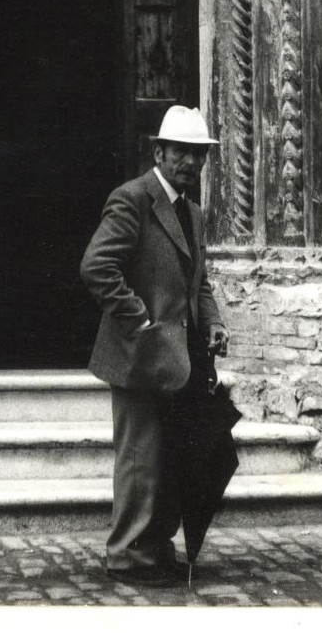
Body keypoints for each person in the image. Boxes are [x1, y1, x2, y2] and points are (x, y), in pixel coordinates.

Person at [80, 105, 233, 586]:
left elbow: (197, 282)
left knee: (171, 460)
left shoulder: (193, 213)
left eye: (199, 154)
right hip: (140, 355)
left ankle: (156, 549)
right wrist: (139, 318)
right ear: (159, 153)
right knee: (139, 460)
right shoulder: (132, 199)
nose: (190, 162)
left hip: (181, 359)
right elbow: (97, 267)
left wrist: (212, 322)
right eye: (181, 152)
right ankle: (127, 556)